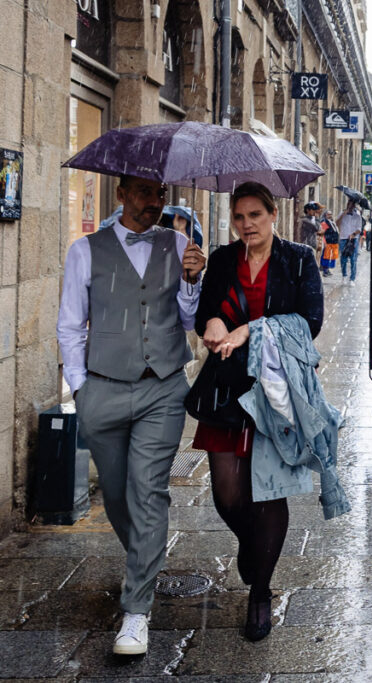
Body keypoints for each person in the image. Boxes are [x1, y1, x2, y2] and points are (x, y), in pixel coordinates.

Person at [57, 174, 206, 655]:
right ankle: (146, 557)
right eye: (144, 192)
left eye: (160, 193)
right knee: (118, 496)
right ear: (120, 194)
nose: (154, 202)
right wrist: (80, 388)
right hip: (103, 389)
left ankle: (136, 611)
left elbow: (191, 321)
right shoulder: (85, 250)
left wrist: (191, 281)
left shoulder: (180, 243)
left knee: (148, 491)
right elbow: (69, 324)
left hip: (162, 388)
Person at [192, 181, 335, 642]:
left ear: (274, 215)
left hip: (276, 394)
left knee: (270, 493)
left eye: (255, 215)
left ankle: (261, 591)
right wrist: (211, 321)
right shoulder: (221, 259)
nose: (247, 224)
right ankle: (252, 546)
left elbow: (309, 322)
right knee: (227, 495)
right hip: (227, 390)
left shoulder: (297, 259)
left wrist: (251, 330)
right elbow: (207, 313)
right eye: (239, 217)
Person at [338, 200, 362, 285]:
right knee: (343, 259)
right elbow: (337, 223)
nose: (350, 206)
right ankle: (344, 275)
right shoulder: (342, 214)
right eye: (349, 204)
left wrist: (353, 234)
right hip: (343, 238)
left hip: (353, 239)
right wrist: (342, 215)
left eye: (352, 205)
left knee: (353, 259)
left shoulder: (357, 216)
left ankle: (352, 279)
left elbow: (359, 229)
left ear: (354, 206)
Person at [320, 210, 339, 277]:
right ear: (325, 215)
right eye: (328, 214)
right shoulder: (324, 222)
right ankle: (325, 271)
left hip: (333, 242)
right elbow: (323, 232)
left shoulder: (332, 222)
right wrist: (324, 242)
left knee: (331, 256)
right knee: (326, 256)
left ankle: (327, 270)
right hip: (328, 242)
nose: (330, 215)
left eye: (331, 214)